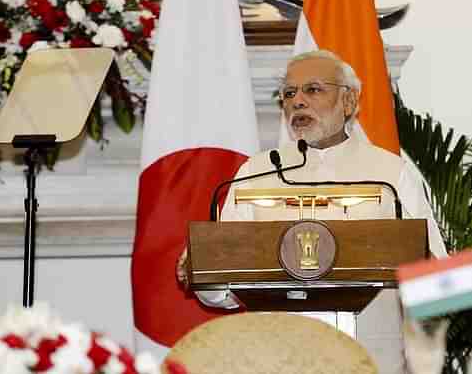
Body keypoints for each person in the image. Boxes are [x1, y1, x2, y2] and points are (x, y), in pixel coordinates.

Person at [180, 49, 447, 374]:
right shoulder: (258, 171)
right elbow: (222, 293)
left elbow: (438, 275)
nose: (298, 101)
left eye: (313, 90)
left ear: (348, 102)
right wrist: (203, 270)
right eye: (289, 93)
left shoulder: (390, 173)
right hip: (274, 360)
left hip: (371, 359)